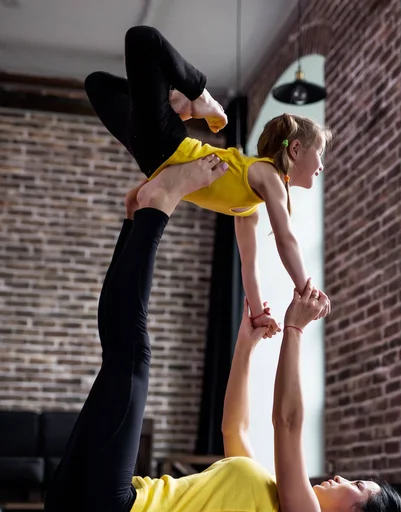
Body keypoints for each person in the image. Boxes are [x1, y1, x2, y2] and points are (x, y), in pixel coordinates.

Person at [45, 162, 401, 512]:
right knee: (123, 356)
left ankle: (153, 213)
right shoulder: (271, 498)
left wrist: (295, 330)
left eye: (358, 486)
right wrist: (246, 345)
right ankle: (137, 217)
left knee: (131, 359)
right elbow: (234, 429)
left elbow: (287, 423)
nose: (343, 477)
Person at [84, 26, 332, 335]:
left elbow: (249, 265)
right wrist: (305, 288)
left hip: (149, 155)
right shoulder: (267, 174)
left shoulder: (246, 209)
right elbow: (285, 238)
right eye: (320, 153)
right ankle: (198, 95)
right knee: (143, 39)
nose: (322, 164)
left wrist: (257, 313)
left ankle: (174, 104)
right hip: (167, 145)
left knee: (96, 84)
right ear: (296, 149)